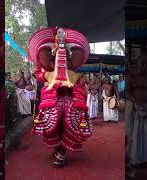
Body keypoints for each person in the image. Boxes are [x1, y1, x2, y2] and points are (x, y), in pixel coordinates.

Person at [30, 27, 92, 168]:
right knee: (52, 127)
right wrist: (39, 67)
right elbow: (38, 74)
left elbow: (82, 88)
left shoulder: (75, 76)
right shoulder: (49, 74)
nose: (60, 59)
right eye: (55, 57)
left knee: (70, 127)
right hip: (52, 106)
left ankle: (62, 153)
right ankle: (58, 149)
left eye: (65, 57)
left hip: (72, 106)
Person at [125, 47, 147, 167]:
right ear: (137, 63)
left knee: (146, 133)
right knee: (132, 133)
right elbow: (127, 92)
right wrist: (136, 101)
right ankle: (132, 159)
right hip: (133, 108)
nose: (143, 65)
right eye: (141, 63)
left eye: (145, 63)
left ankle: (144, 159)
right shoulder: (131, 76)